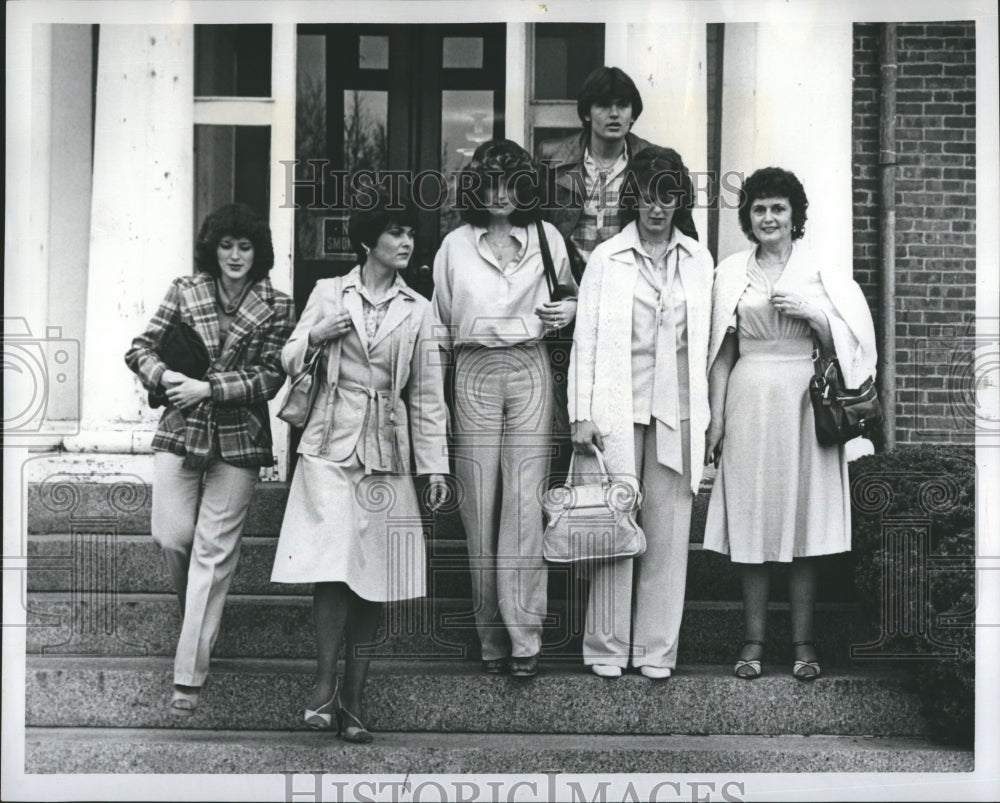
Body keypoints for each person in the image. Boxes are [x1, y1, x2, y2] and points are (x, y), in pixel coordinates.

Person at [271, 186, 450, 742]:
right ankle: (324, 683)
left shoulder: (419, 310)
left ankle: (354, 701)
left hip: (387, 451)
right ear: (368, 239)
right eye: (395, 232)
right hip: (328, 442)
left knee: (373, 575)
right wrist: (316, 336)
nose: (405, 241)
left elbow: (426, 396)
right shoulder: (328, 292)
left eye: (410, 233)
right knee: (331, 562)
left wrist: (436, 467)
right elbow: (288, 357)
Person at [703, 167, 878, 681]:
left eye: (778, 208)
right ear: (748, 218)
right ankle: (752, 643)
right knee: (752, 520)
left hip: (807, 404)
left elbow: (850, 350)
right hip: (749, 398)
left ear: (795, 216)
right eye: (759, 209)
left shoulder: (822, 271)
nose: (769, 217)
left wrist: (817, 318)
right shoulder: (732, 272)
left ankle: (804, 644)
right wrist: (716, 420)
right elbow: (721, 352)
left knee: (806, 521)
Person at [125, 203, 296, 716]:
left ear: (258, 252)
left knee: (214, 553)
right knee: (171, 536)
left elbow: (271, 376)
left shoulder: (278, 304)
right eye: (226, 245)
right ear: (212, 249)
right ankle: (195, 623)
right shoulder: (186, 289)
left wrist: (209, 387)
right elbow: (140, 349)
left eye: (245, 246)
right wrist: (166, 380)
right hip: (180, 430)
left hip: (239, 441)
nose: (235, 255)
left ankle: (188, 676)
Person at [432, 139, 577, 679]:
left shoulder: (547, 238)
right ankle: (490, 639)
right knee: (479, 506)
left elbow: (574, 298)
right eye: (489, 182)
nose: (499, 194)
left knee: (523, 502)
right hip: (473, 371)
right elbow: (442, 323)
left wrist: (567, 312)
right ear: (476, 188)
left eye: (509, 182)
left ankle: (525, 638)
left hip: (530, 366)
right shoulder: (454, 246)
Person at [569, 147, 714, 679]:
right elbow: (584, 340)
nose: (657, 208)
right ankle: (607, 648)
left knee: (669, 533)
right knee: (614, 527)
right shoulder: (608, 258)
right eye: (649, 196)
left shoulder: (700, 262)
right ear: (635, 197)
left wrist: (711, 417)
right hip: (616, 410)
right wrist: (579, 414)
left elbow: (707, 346)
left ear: (681, 200)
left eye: (668, 196)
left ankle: (656, 651)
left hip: (675, 412)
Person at [538, 65, 697, 281]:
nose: (614, 114)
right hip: (569, 291)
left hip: (633, 292)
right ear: (586, 113)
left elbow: (683, 234)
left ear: (633, 114)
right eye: (603, 105)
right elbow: (536, 232)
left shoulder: (653, 163)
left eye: (622, 105)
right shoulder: (554, 159)